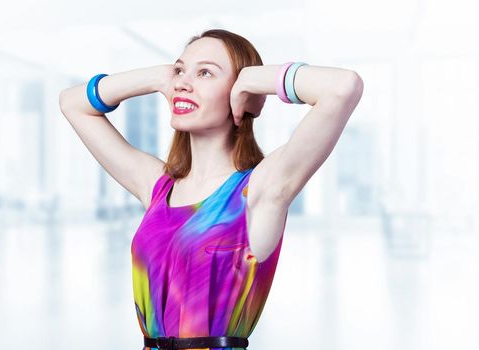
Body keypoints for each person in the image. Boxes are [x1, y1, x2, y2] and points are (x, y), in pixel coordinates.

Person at [59, 28, 363, 350]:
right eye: (180, 70)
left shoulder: (259, 191)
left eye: (205, 72)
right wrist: (157, 78)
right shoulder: (158, 187)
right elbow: (72, 103)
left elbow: (343, 88)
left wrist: (254, 81)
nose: (183, 82)